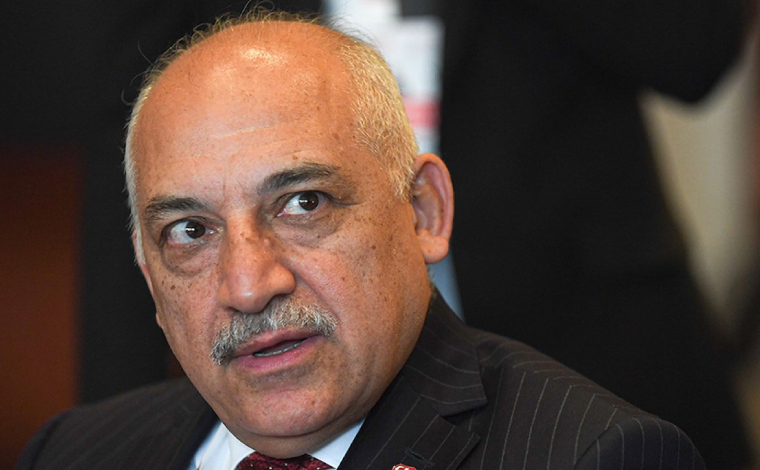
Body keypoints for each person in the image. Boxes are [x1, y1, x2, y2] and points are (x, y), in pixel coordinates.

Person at [17, 13, 705, 470]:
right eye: (190, 231)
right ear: (148, 275)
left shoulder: (593, 456)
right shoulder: (72, 453)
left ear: (424, 212)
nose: (248, 285)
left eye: (303, 203)